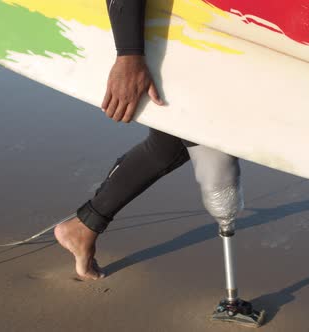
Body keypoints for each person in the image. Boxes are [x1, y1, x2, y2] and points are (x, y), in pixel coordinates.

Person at [54, 0, 242, 281]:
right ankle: (232, 297)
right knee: (213, 160)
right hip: (187, 34)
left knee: (169, 144)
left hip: (223, 38)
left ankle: (84, 226)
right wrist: (128, 56)